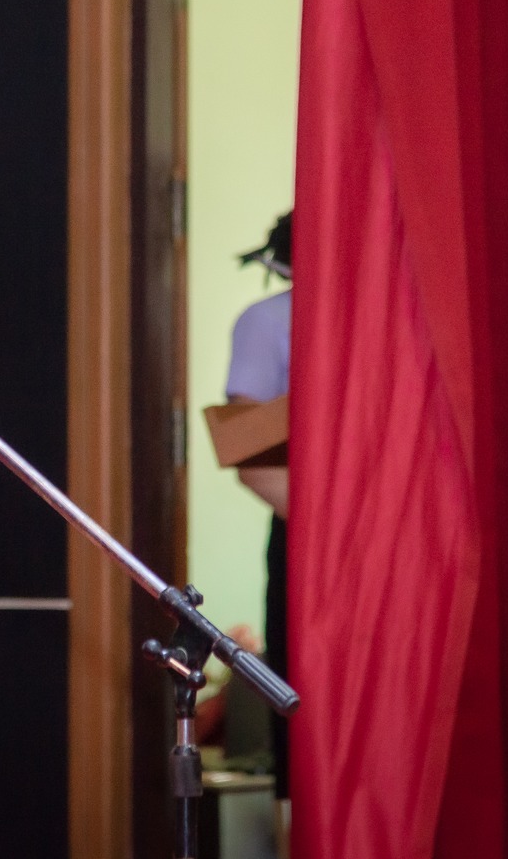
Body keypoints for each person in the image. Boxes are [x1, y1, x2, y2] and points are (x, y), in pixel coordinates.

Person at [225, 210, 292, 835]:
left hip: (406, 541)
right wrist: (340, 530)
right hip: (311, 535)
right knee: (301, 696)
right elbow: (250, 456)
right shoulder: (268, 321)